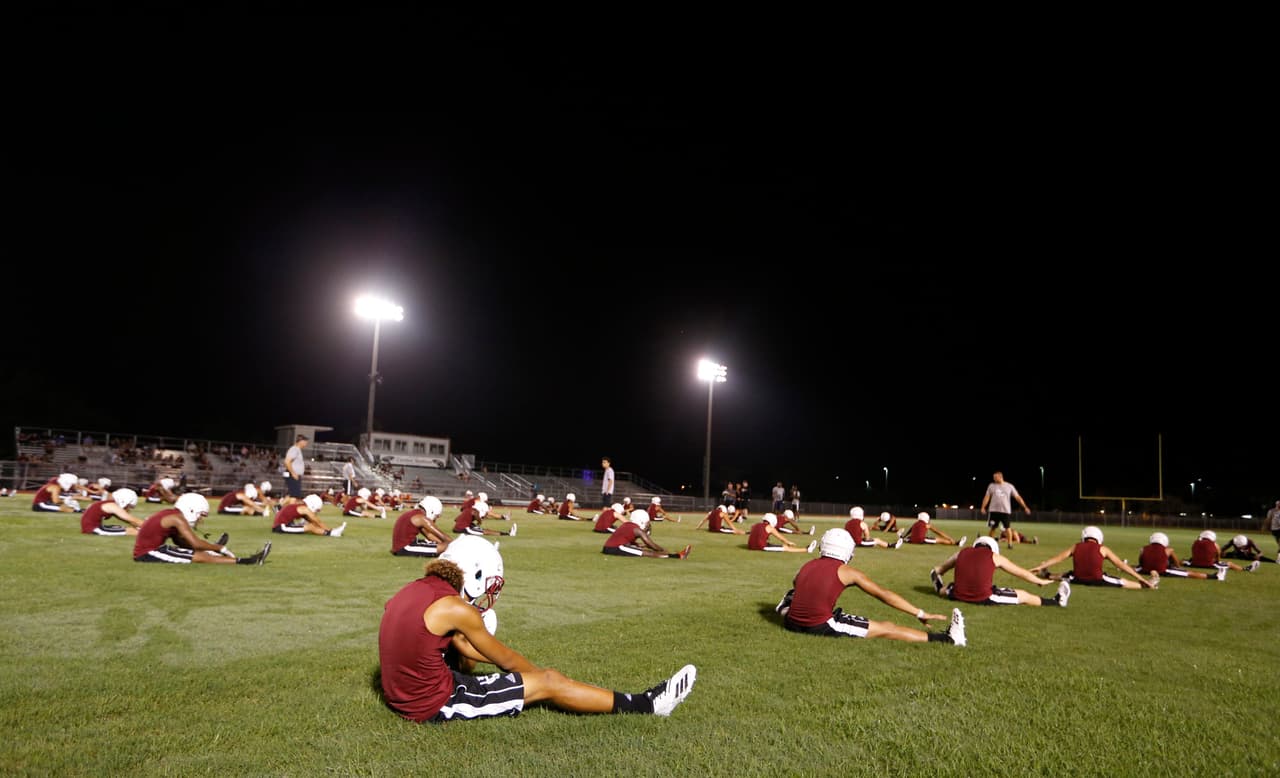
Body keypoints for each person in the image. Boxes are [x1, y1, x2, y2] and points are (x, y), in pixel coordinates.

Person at [378, 535, 697, 722]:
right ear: (475, 573)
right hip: (433, 704)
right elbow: (509, 662)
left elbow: (455, 650)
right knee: (549, 680)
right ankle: (647, 705)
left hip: (402, 693)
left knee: (530, 678)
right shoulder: (455, 608)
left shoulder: (412, 589)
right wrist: (542, 683)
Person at [776, 528, 967, 646]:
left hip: (792, 621)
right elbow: (884, 595)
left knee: (793, 596)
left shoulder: (807, 565)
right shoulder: (847, 571)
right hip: (818, 626)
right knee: (887, 628)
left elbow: (796, 583)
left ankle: (784, 606)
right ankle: (949, 640)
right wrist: (919, 613)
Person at [134, 493, 271, 565]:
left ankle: (246, 561)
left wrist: (209, 549)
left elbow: (180, 542)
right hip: (147, 553)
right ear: (192, 509)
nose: (200, 519)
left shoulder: (172, 515)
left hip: (154, 549)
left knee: (200, 554)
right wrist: (218, 548)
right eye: (200, 515)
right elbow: (195, 543)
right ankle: (247, 562)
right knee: (201, 558)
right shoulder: (177, 518)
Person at [931, 536, 1069, 607]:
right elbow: (1021, 572)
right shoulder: (994, 556)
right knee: (1023, 595)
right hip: (983, 597)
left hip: (957, 594)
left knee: (948, 588)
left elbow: (941, 569)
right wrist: (1040, 581)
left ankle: (938, 588)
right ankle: (1056, 602)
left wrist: (936, 572)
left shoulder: (961, 552)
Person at [1029, 526, 1157, 589]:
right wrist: (1141, 579)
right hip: (1097, 580)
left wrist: (1040, 566)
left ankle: (1046, 574)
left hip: (1077, 579)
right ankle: (1146, 585)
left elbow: (1058, 558)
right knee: (1122, 581)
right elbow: (1121, 565)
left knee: (1066, 575)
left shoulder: (1076, 546)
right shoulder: (1103, 549)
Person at [1133, 532, 1225, 581]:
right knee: (1189, 573)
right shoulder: (1168, 550)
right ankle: (1215, 577)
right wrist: (1177, 567)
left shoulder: (1143, 548)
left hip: (1144, 570)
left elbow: (1141, 562)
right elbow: (1176, 563)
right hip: (1162, 571)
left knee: (1133, 568)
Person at [602, 510, 691, 559]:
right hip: (615, 548)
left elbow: (626, 540)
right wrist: (663, 549)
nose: (647, 525)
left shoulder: (628, 525)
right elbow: (651, 545)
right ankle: (676, 556)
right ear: (641, 521)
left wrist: (640, 545)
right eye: (646, 523)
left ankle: (675, 555)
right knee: (647, 553)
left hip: (611, 547)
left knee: (642, 550)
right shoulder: (636, 529)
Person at [980, 471, 1031, 549]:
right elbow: (987, 497)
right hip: (994, 510)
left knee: (1008, 528)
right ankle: (989, 544)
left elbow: (1018, 497)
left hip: (1005, 511)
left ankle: (1010, 544)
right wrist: (983, 507)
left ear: (1000, 477)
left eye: (995, 477)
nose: (994, 479)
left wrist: (1025, 507)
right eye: (993, 477)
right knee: (993, 528)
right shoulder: (991, 486)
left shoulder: (1009, 486)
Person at [272, 494, 347, 538]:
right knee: (310, 527)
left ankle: (332, 532)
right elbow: (318, 521)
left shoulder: (300, 506)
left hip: (282, 525)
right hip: (281, 527)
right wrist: (330, 530)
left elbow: (314, 522)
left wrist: (330, 528)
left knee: (311, 525)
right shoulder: (305, 509)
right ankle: (332, 533)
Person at [80, 488, 145, 536]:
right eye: (128, 506)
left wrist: (139, 526)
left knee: (130, 529)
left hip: (93, 528)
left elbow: (129, 521)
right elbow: (134, 520)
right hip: (94, 529)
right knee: (134, 531)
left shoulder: (109, 504)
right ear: (124, 501)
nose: (128, 509)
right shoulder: (113, 506)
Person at [1186, 530, 1254, 573]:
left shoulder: (1196, 542)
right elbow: (1218, 554)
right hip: (1208, 565)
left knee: (1184, 561)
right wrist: (1217, 561)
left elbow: (1194, 553)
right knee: (1229, 564)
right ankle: (1244, 569)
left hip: (1194, 564)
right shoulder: (1215, 544)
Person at [747, 514, 816, 553]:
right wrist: (788, 542)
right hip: (761, 547)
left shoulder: (755, 525)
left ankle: (807, 549)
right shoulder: (770, 527)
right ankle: (807, 549)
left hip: (750, 546)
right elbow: (780, 537)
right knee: (785, 547)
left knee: (774, 545)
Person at [899, 512, 966, 546]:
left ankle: (901, 538)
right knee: (939, 540)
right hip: (921, 540)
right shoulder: (926, 525)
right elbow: (938, 532)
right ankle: (956, 543)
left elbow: (909, 531)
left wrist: (903, 537)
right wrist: (950, 538)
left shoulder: (915, 523)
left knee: (907, 538)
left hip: (911, 540)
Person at [282, 434, 309, 505]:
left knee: (292, 493)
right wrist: (293, 473)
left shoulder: (297, 450)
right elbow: (287, 462)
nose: (306, 443)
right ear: (301, 441)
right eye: (305, 442)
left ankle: (277, 507)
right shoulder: (295, 449)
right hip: (292, 474)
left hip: (293, 474)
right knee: (294, 495)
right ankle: (290, 512)